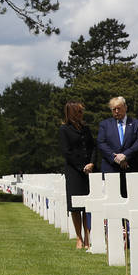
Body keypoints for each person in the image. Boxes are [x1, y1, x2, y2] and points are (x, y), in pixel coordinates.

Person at [60, 100, 95, 249]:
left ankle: (88, 236)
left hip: (89, 170)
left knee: (88, 206)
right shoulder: (64, 129)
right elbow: (66, 151)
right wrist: (82, 167)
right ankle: (79, 237)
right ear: (72, 113)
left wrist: (92, 163)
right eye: (79, 111)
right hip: (74, 171)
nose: (81, 114)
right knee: (75, 207)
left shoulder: (86, 128)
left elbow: (93, 147)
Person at [96, 96, 138, 197]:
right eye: (114, 109)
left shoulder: (137, 124)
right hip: (111, 168)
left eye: (119, 108)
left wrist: (125, 155)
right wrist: (115, 157)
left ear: (125, 107)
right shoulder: (104, 124)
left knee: (134, 200)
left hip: (132, 167)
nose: (116, 111)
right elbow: (101, 143)